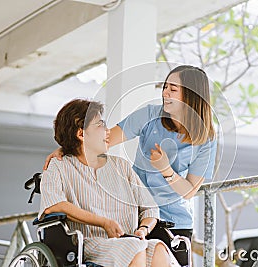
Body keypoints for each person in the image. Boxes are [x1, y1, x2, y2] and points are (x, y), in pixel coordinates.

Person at [43, 66, 217, 262]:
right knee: (134, 249)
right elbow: (103, 141)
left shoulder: (206, 138)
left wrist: (165, 169)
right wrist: (67, 147)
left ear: (192, 95)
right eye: (165, 86)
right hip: (134, 214)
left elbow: (189, 191)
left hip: (173, 219)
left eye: (173, 89)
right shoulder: (150, 116)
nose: (164, 92)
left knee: (160, 253)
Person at [39, 99, 176, 267]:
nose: (107, 131)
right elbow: (55, 205)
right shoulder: (58, 167)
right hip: (87, 245)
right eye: (100, 125)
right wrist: (103, 222)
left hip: (131, 239)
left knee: (158, 249)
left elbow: (150, 208)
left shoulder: (121, 166)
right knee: (133, 248)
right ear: (81, 134)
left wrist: (144, 229)